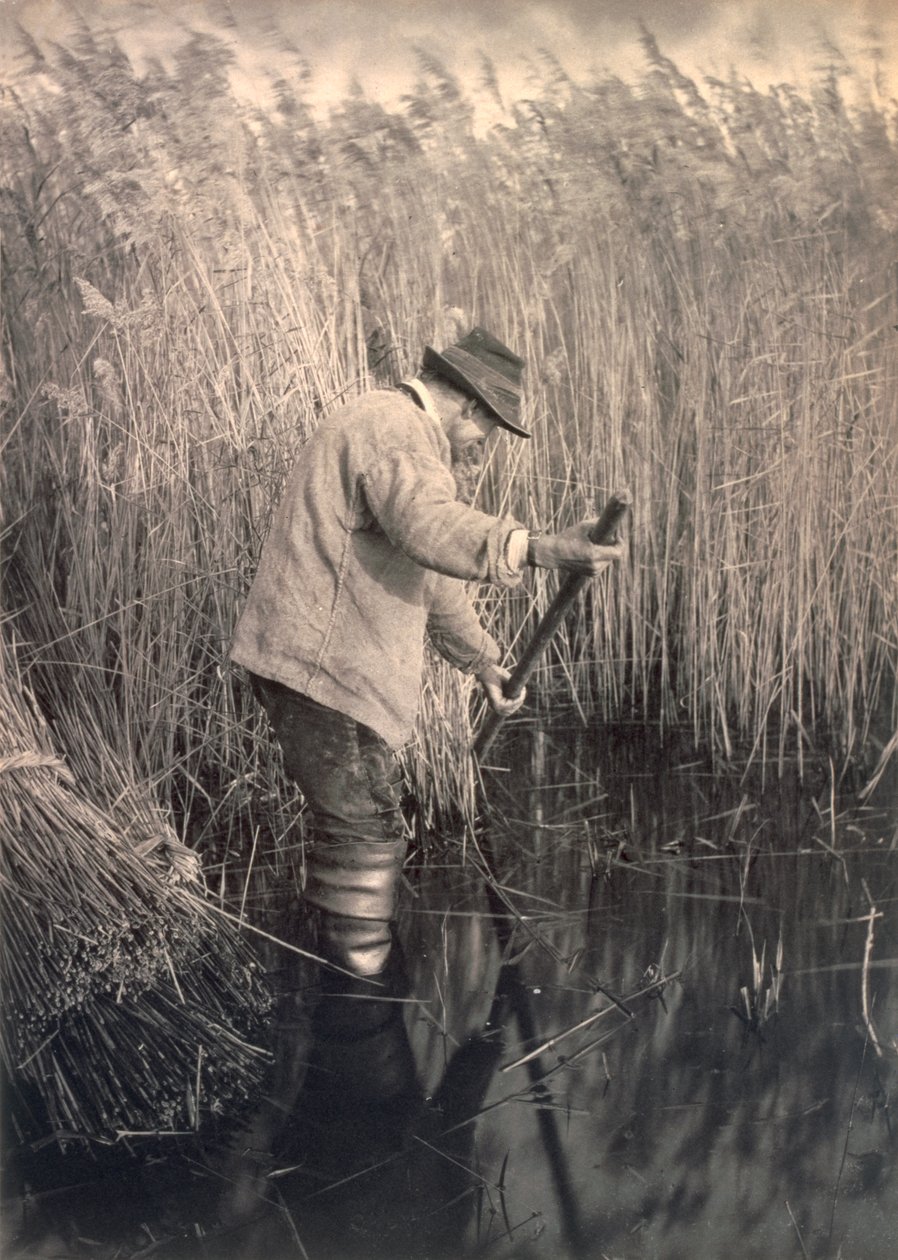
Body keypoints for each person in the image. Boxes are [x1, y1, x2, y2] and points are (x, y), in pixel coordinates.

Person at [230, 326, 623, 979]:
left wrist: (483, 660)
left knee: (353, 824)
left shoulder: (396, 433)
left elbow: (432, 570)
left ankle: (326, 980)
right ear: (469, 405)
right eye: (489, 430)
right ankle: (362, 1009)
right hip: (327, 673)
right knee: (369, 831)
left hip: (318, 671)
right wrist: (544, 547)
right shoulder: (394, 427)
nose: (483, 447)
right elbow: (429, 526)